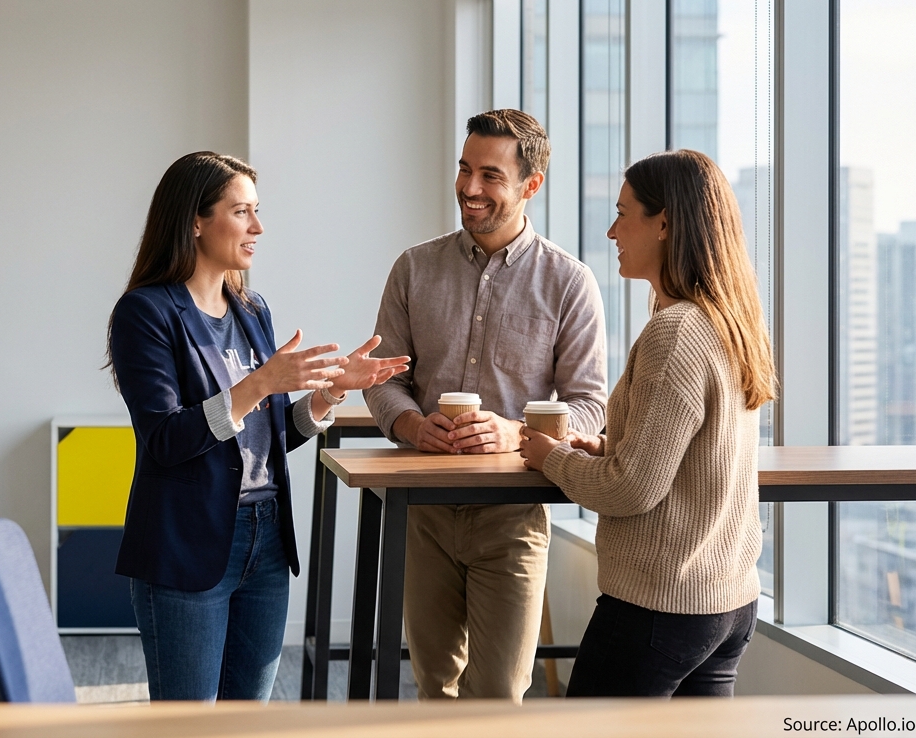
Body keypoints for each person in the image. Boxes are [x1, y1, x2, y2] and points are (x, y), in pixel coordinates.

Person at [106, 151, 409, 702]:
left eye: (257, 210)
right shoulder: (145, 313)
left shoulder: (252, 309)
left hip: (265, 539)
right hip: (186, 543)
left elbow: (264, 435)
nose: (258, 227)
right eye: (241, 211)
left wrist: (328, 393)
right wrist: (261, 383)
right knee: (188, 725)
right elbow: (167, 440)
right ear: (195, 221)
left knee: (249, 719)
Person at [364, 109, 608, 702]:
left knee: (498, 693)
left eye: (490, 176)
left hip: (513, 517)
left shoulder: (568, 282)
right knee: (433, 685)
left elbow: (589, 406)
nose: (470, 189)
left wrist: (516, 434)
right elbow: (381, 379)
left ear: (531, 185)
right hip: (423, 510)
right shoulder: (414, 268)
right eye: (464, 170)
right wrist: (412, 424)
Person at [519, 149, 776, 697]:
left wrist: (552, 457)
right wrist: (608, 446)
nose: (612, 230)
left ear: (664, 223)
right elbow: (684, 453)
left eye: (622, 212)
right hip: (727, 604)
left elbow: (633, 488)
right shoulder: (726, 320)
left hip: (662, 605)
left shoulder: (676, 331)